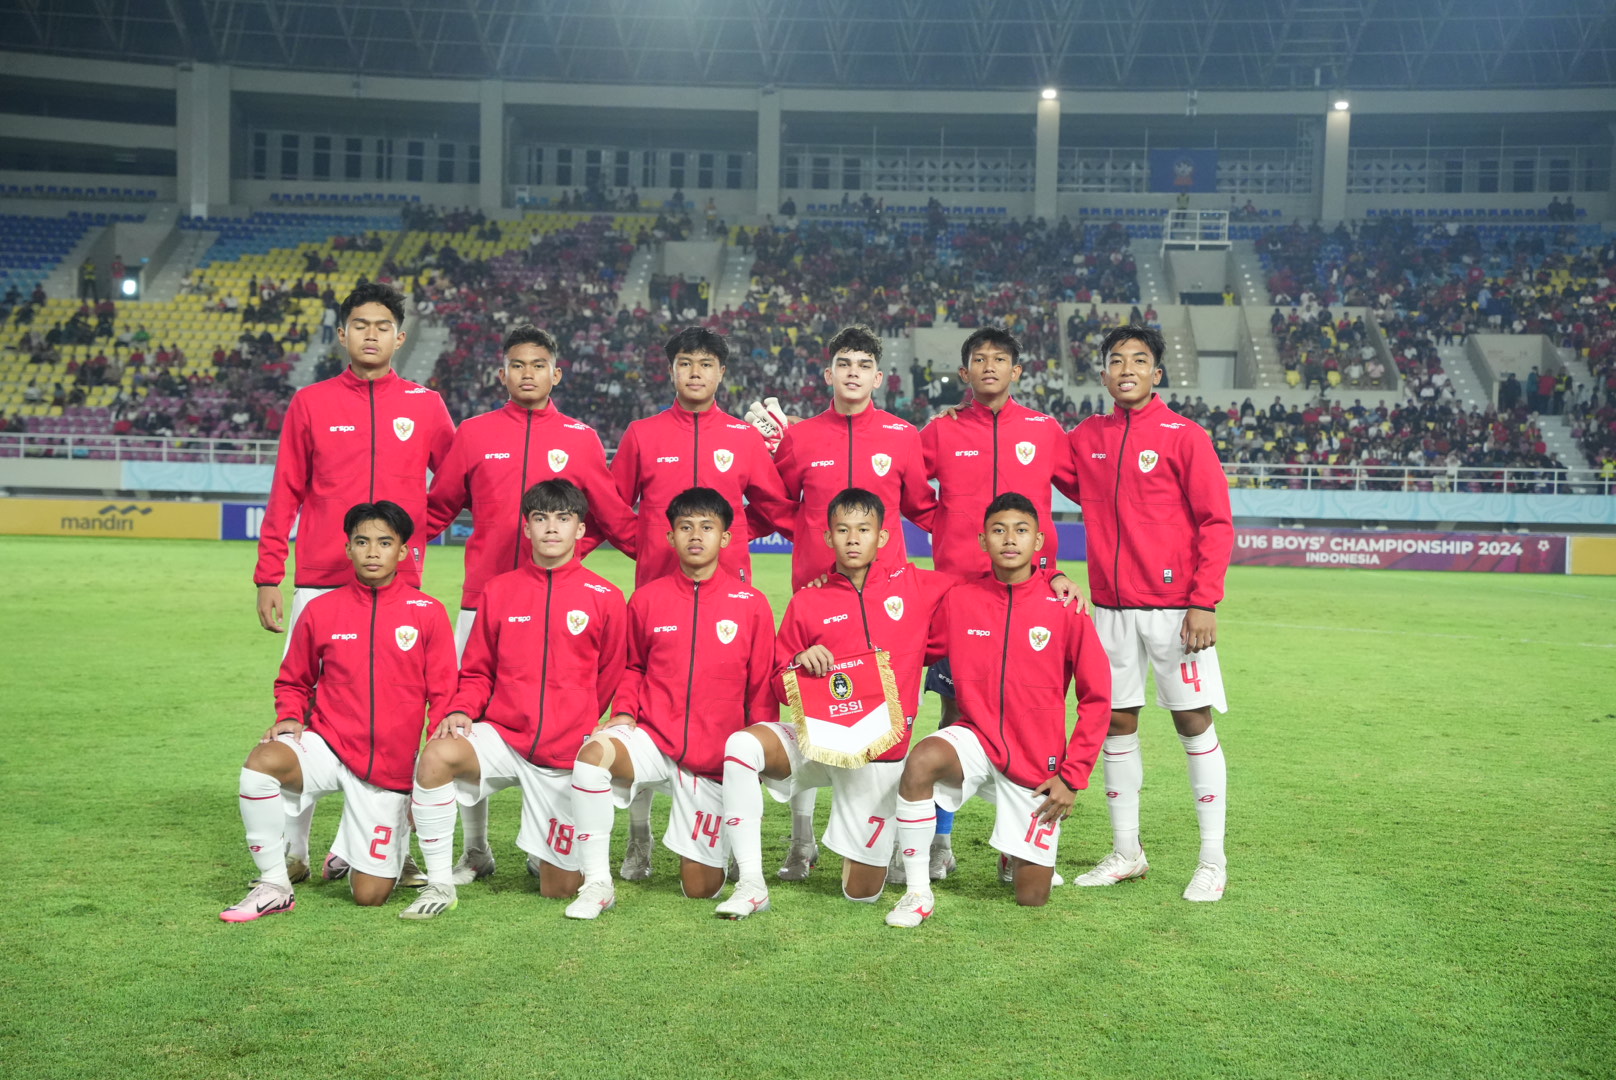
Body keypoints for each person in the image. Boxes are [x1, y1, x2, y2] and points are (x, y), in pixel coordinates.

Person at [251, 282, 454, 884]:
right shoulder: (311, 403)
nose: (371, 334)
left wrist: (416, 535)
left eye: (382, 325)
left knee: (395, 718)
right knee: (304, 718)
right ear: (341, 334)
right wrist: (270, 574)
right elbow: (285, 489)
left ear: (400, 335)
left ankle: (376, 842)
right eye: (358, 325)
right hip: (319, 582)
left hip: (401, 592)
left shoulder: (426, 405)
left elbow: (452, 485)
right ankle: (295, 848)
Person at [424, 323, 639, 884]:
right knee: (464, 722)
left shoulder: (581, 438)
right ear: (503, 373)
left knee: (553, 722)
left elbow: (614, 519)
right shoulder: (472, 433)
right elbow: (435, 509)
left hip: (557, 603)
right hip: (484, 602)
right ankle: (475, 850)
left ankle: (548, 836)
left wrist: (570, 561)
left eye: (538, 364)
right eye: (517, 365)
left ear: (555, 373)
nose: (527, 374)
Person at [713, 488, 956, 918]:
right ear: (828, 538)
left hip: (878, 759)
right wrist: (797, 663)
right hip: (816, 743)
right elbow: (775, 680)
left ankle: (890, 838)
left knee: (860, 894)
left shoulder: (917, 586)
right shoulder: (809, 600)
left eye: (863, 530)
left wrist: (1050, 575)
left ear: (882, 537)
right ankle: (751, 882)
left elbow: (986, 583)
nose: (853, 539)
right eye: (842, 530)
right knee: (741, 746)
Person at [610, 326, 793, 879]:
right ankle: (638, 839)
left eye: (706, 364)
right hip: (656, 596)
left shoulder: (741, 438)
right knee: (641, 707)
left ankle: (733, 836)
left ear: (720, 373)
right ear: (671, 371)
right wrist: (646, 547)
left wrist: (734, 541)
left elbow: (774, 507)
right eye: (685, 363)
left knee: (730, 711)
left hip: (726, 600)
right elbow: (616, 508)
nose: (695, 372)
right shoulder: (641, 434)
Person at [402, 480, 628, 920]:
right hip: (504, 737)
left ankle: (543, 854)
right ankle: (438, 884)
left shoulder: (606, 597)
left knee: (558, 889)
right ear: (526, 528)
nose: (551, 529)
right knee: (436, 757)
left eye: (563, 519)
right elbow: (479, 669)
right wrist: (464, 708)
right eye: (541, 519)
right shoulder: (499, 590)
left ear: (581, 530)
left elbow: (610, 675)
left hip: (564, 753)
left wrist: (579, 719)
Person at [220, 501, 456, 922]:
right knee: (262, 761)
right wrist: (290, 715)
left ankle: (351, 847)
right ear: (347, 548)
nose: (372, 551)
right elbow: (294, 680)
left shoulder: (428, 613)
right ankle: (275, 884)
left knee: (370, 897)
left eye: (385, 543)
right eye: (362, 542)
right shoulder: (321, 610)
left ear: (403, 552)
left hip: (390, 766)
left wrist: (425, 773)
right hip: (328, 745)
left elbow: (444, 695)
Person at [885, 493, 1111, 927]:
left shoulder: (1065, 607)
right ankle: (917, 892)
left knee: (1032, 898)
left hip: (1036, 761)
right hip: (977, 737)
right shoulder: (960, 599)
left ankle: (1014, 854)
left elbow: (1098, 696)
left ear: (1039, 540)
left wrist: (1072, 776)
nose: (1010, 539)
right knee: (922, 761)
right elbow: (912, 646)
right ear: (983, 540)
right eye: (999, 530)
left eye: (1021, 530)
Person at [1066, 324, 1234, 902]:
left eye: (1140, 360)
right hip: (1110, 608)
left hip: (1176, 611)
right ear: (1105, 373)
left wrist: (1204, 599)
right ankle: (1126, 851)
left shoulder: (1184, 437)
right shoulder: (1086, 436)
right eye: (1117, 360)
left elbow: (1216, 522)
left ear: (1157, 373)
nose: (1127, 369)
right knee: (1117, 723)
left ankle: (1212, 859)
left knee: (1192, 722)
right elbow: (1043, 474)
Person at [565, 488, 777, 919]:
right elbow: (634, 667)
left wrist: (752, 757)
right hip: (655, 739)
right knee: (593, 756)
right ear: (670, 537)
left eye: (706, 527)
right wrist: (622, 712)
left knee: (700, 889)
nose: (695, 536)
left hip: (715, 758)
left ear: (727, 538)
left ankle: (727, 858)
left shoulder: (751, 604)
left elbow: (760, 688)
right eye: (685, 527)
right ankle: (596, 884)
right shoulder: (646, 599)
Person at [919, 326, 1081, 876]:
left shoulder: (1045, 429)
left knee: (1028, 719)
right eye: (979, 360)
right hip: (961, 599)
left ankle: (1018, 846)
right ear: (964, 373)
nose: (990, 367)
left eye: (1001, 359)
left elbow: (1092, 489)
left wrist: (1051, 569)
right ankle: (941, 842)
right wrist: (949, 532)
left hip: (1028, 595)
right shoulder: (940, 431)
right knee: (954, 713)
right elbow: (909, 492)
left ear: (1018, 371)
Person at [760, 325, 938, 591]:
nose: (854, 372)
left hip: (886, 584)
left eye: (864, 366)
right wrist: (812, 537)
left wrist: (977, 530)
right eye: (844, 364)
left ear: (877, 378)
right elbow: (777, 505)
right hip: (817, 582)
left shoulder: (904, 435)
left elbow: (921, 507)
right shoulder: (800, 438)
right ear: (829, 375)